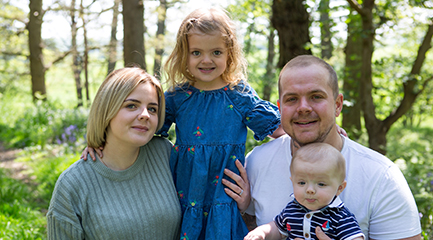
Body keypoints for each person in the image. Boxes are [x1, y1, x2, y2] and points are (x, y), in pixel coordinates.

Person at [235, 55, 422, 239]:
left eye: (316, 97)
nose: (303, 108)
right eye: (291, 99)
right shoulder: (256, 162)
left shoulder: (381, 176)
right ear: (280, 108)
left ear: (338, 105)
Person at [157, 8, 282, 239]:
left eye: (216, 52)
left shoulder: (239, 95)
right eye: (196, 52)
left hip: (224, 195)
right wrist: (103, 144)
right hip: (184, 193)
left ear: (229, 54)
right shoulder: (177, 97)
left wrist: (322, 132)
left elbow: (279, 128)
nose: (206, 60)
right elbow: (146, 130)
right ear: (185, 55)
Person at [47, 67, 181, 239]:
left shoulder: (165, 153)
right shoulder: (73, 183)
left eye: (152, 109)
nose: (145, 115)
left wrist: (226, 193)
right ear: (106, 110)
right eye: (131, 105)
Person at [244, 143, 364, 240]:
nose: (310, 190)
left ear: (339, 188)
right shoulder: (292, 209)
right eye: (302, 183)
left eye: (321, 184)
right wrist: (261, 233)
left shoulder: (340, 216)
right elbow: (276, 228)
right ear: (292, 182)